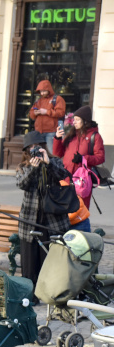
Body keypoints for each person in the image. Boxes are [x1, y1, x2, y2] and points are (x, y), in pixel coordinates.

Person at [16, 131, 70, 282]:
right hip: (30, 221)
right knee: (30, 265)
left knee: (50, 263)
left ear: (43, 147)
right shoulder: (23, 166)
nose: (35, 149)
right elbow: (22, 184)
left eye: (38, 145)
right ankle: (30, 291)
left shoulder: (54, 161)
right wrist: (34, 169)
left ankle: (49, 290)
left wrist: (48, 163)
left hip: (52, 221)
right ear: (27, 150)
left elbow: (63, 175)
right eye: (31, 147)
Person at [53, 106, 105, 209]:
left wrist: (84, 158)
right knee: (64, 208)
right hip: (66, 176)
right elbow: (58, 153)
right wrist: (57, 138)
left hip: (82, 179)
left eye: (77, 120)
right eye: (74, 119)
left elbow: (100, 157)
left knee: (80, 209)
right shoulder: (71, 135)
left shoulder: (94, 136)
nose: (74, 122)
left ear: (85, 121)